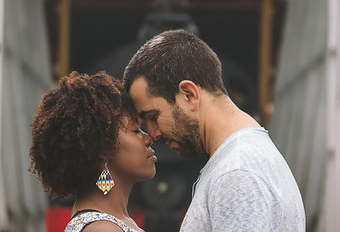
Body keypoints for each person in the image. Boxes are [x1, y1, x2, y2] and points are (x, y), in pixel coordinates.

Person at [123, 29, 305, 232]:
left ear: (189, 94)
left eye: (153, 117)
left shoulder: (237, 174)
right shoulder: (242, 160)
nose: (153, 133)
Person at [30, 71, 158, 232]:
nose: (148, 138)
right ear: (103, 149)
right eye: (135, 131)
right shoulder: (101, 229)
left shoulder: (111, 223)